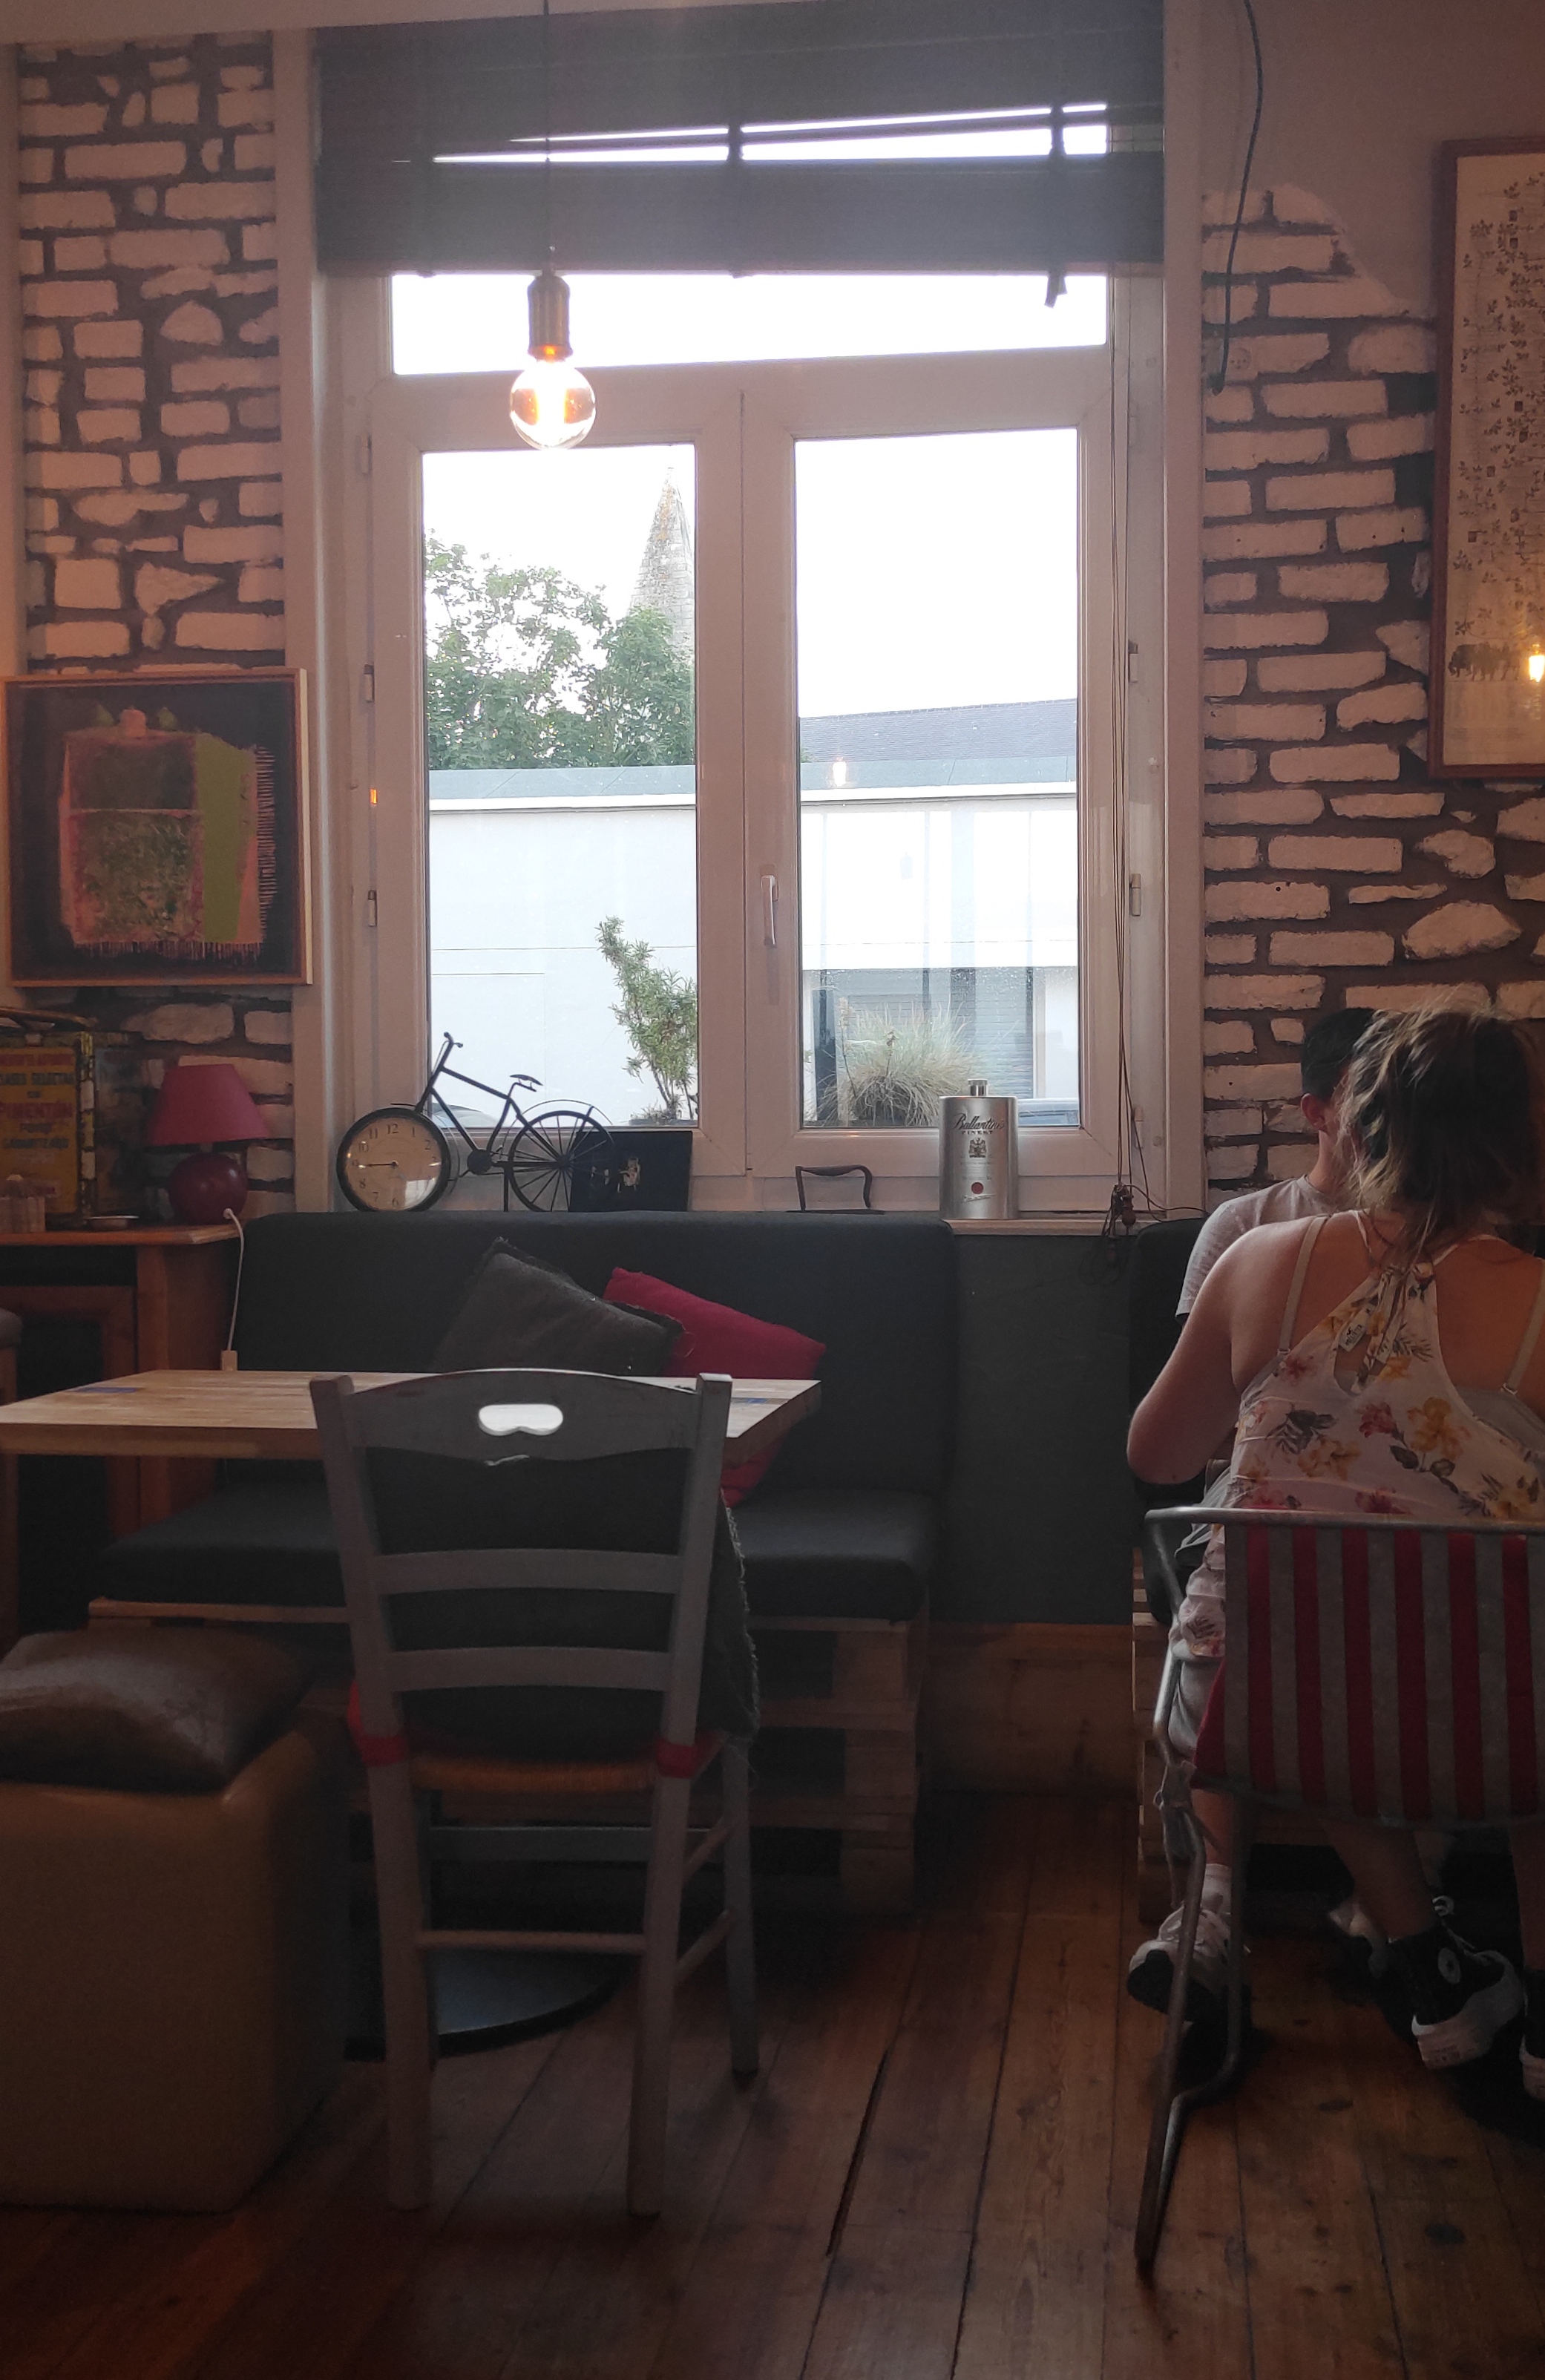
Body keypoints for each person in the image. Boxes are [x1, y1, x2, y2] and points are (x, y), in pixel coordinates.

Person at [1127, 1003, 1545, 2098]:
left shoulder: (1260, 1258)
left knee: (1328, 1656)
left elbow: (1159, 1453)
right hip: (1490, 1725)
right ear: (1520, 1145)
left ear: (1358, 1126)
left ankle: (1427, 1966)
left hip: (1267, 1714)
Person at [1177, 1007, 1376, 1315]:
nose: (1389, 1122)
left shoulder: (1426, 1223)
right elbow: (1206, 1345)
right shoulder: (1243, 1224)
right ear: (1316, 1113)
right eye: (1368, 1105)